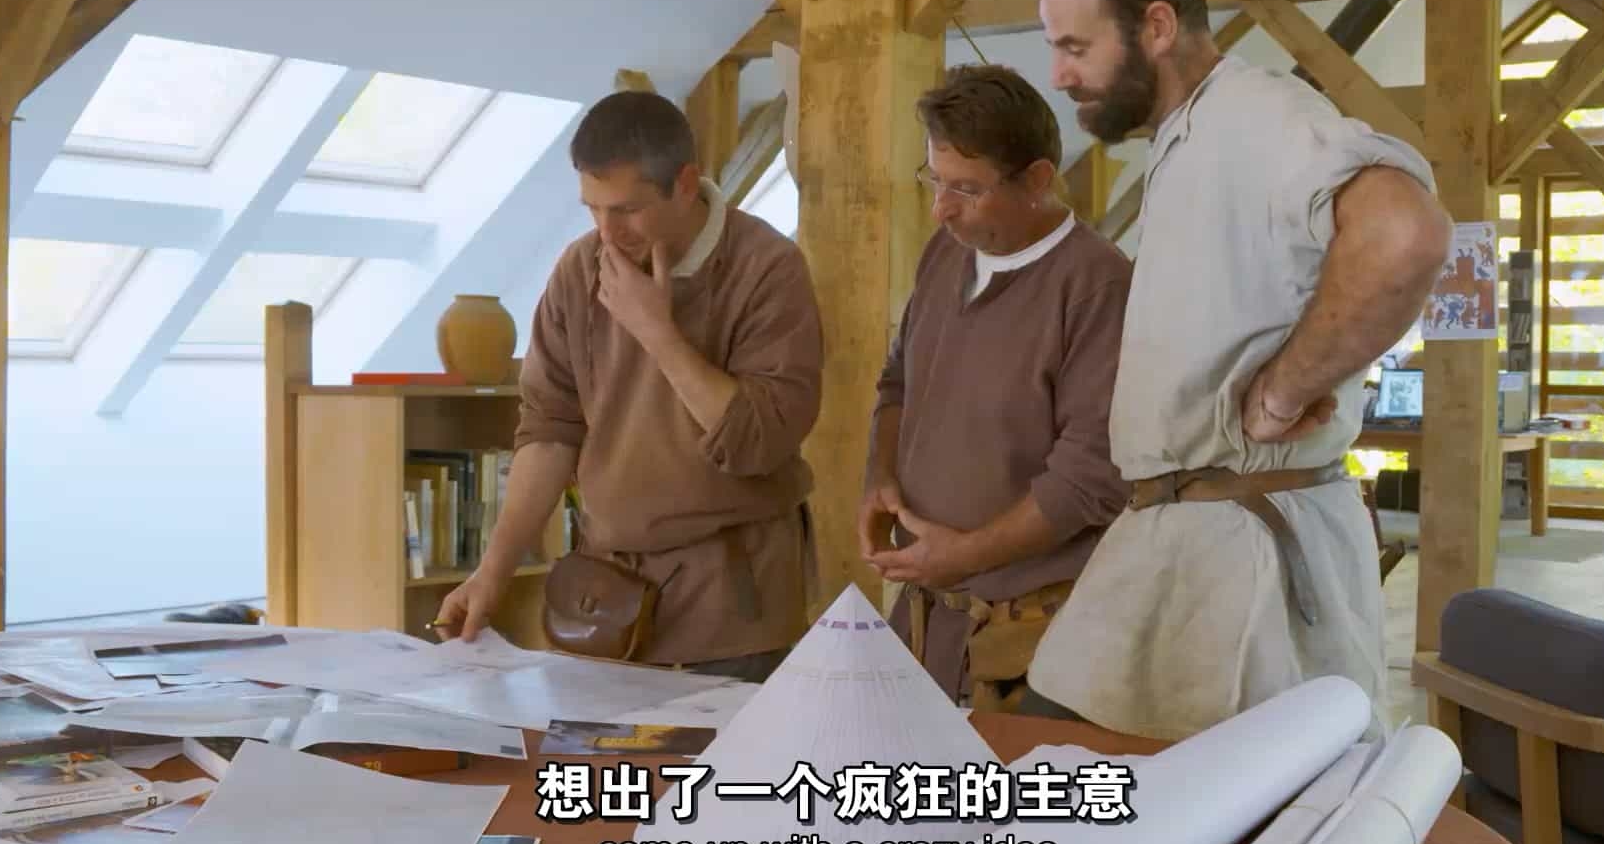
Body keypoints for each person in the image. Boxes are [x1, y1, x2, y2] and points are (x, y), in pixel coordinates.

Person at [1025, 0, 1453, 739]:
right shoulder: (1187, 136)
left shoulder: (1254, 114)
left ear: (1156, 26)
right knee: (1067, 765)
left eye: (1075, 47)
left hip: (1246, 556)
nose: (1058, 74)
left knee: (1240, 815)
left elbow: (1405, 232)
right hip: (1179, 541)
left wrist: (1286, 390)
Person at [435, 89, 824, 683]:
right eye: (593, 209)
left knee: (714, 750)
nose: (607, 232)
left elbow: (758, 442)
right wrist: (492, 573)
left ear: (685, 183)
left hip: (734, 604)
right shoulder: (578, 268)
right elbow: (549, 432)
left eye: (627, 210)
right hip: (604, 598)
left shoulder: (767, 266)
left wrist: (657, 331)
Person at [860, 64, 1132, 715]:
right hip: (927, 620)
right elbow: (898, 382)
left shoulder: (1098, 285)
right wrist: (880, 477)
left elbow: (1089, 478)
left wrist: (963, 556)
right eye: (935, 179)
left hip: (1033, 639)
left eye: (967, 188)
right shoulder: (946, 251)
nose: (941, 208)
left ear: (1037, 179)